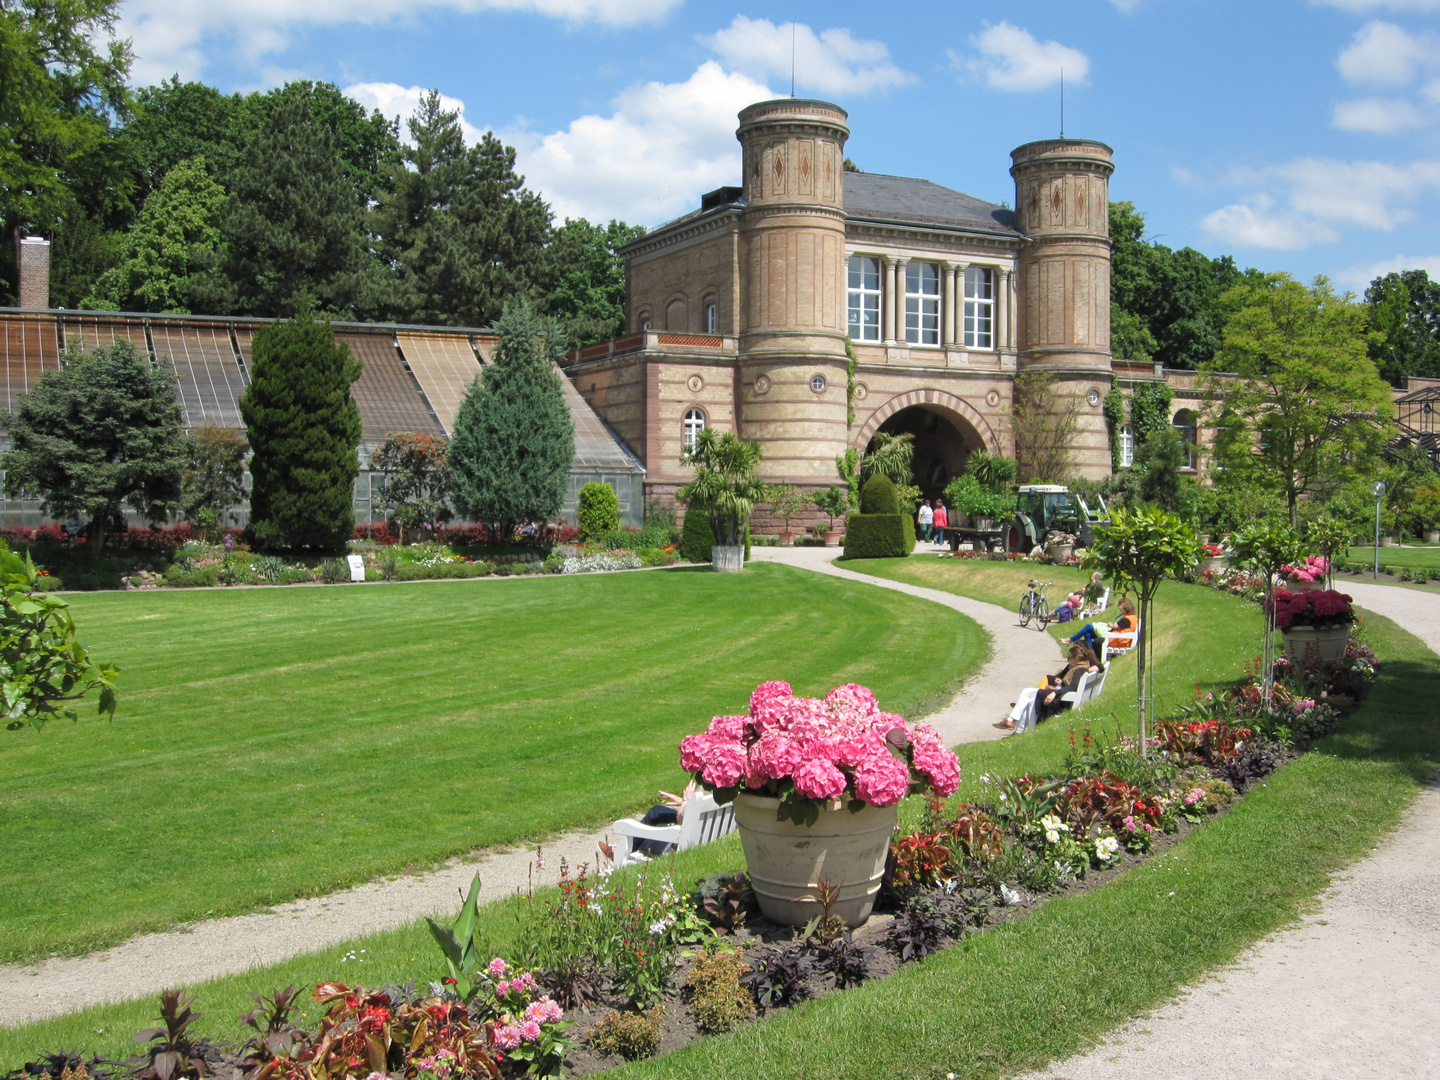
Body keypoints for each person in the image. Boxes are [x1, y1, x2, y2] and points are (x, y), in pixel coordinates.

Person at [1035, 644, 1100, 722]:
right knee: (1030, 693)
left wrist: (1055, 693)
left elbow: (1072, 687)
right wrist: (1061, 682)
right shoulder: (1081, 666)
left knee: (1030, 693)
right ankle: (1016, 718)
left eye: (1069, 658)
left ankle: (1018, 722)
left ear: (1077, 658)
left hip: (1067, 700)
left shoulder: (1079, 670)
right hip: (1071, 696)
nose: (1067, 660)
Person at [632, 779, 697, 857]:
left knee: (655, 813)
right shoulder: (714, 794)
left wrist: (686, 799)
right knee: (657, 811)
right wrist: (681, 801)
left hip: (693, 824)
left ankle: (624, 850)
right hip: (700, 822)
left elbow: (681, 820)